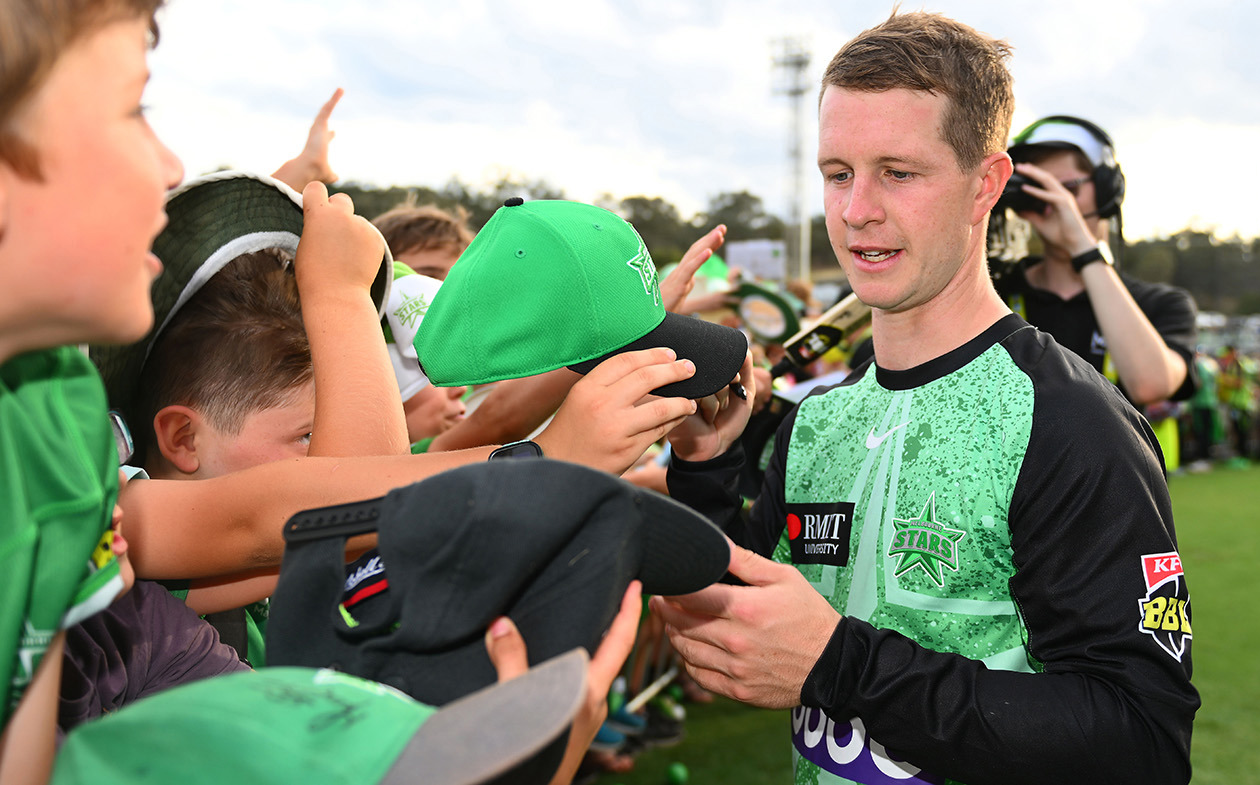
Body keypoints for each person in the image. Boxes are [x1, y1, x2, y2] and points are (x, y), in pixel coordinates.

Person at [0, 3, 680, 782]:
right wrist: (340, 299)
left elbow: (306, 516)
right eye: (131, 109)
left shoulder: (51, 410)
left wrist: (535, 458)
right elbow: (322, 511)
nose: (169, 165)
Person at [650, 11, 1198, 785]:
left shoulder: (1070, 420)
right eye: (838, 172)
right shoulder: (822, 421)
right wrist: (702, 462)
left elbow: (1140, 743)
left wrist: (842, 664)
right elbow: (735, 623)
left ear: (986, 185)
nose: (855, 210)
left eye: (897, 172)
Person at [993, 115, 1198, 408]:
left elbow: (1150, 385)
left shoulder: (1160, 303)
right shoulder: (995, 290)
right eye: (1040, 190)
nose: (1058, 203)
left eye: (1070, 189)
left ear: (1107, 191)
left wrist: (1083, 248)